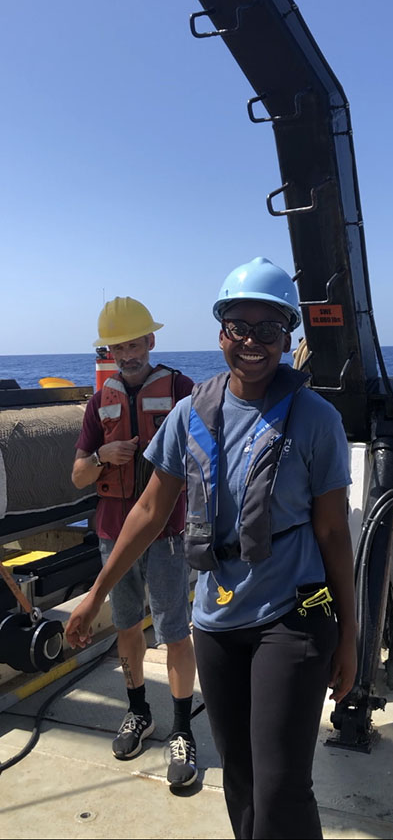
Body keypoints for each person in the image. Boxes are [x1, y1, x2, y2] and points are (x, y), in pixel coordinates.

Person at [66, 259, 357, 839]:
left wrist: (347, 638)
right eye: (238, 326)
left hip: (295, 616)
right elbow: (149, 511)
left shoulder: (317, 420)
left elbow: (332, 534)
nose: (252, 341)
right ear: (221, 332)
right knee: (242, 779)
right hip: (217, 617)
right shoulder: (189, 414)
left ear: (288, 338)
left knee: (280, 786)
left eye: (268, 329)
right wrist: (95, 594)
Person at [70, 296, 198, 787]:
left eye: (134, 343)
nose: (127, 354)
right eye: (117, 346)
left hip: (167, 533)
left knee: (174, 628)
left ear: (151, 341)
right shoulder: (97, 403)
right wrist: (104, 454)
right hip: (111, 533)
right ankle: (138, 710)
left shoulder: (183, 390)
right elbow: (79, 476)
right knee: (127, 626)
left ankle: (182, 728)